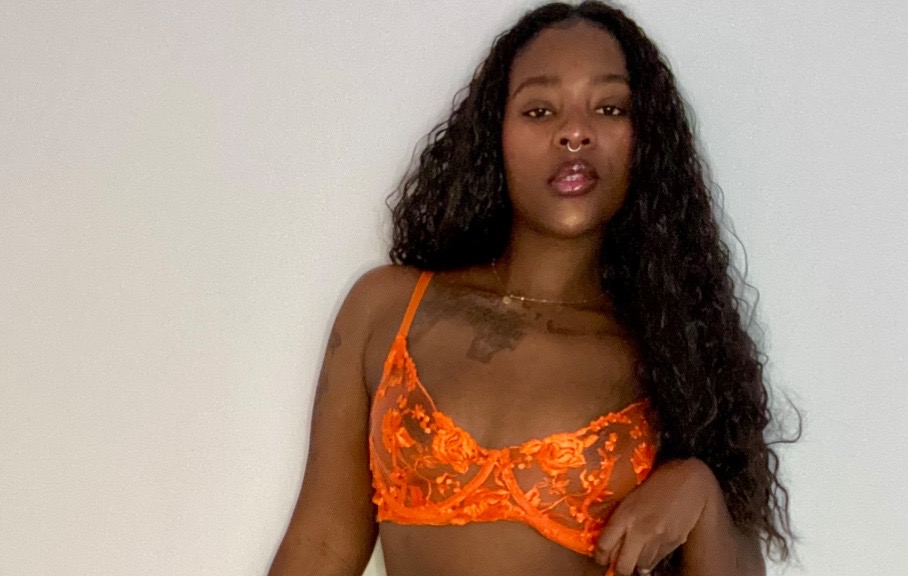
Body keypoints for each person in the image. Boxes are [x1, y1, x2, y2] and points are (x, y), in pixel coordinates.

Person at [269, 2, 796, 575]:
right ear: (494, 135)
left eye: (609, 108)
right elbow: (320, 546)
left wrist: (701, 494)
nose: (575, 132)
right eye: (540, 110)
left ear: (645, 140)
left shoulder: (677, 355)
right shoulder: (387, 308)